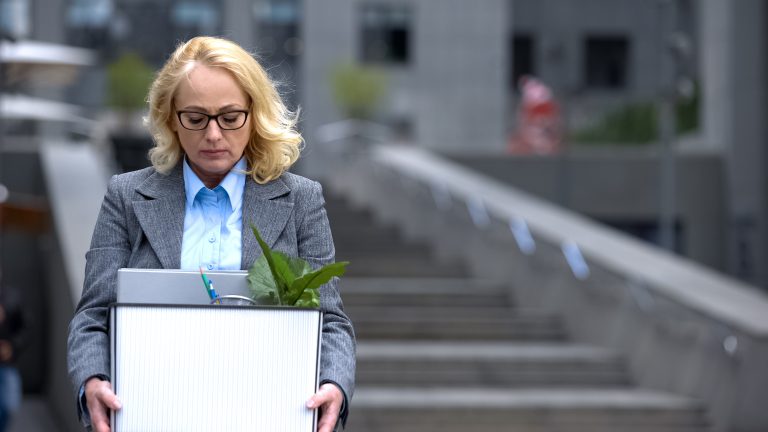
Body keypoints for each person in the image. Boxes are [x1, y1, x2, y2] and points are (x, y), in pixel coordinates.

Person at [67, 36, 355, 432]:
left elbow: (332, 321)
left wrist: (334, 384)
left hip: (266, 417)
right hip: (152, 416)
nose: (214, 134)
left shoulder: (302, 200)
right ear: (170, 118)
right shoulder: (127, 196)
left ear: (254, 115)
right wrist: (92, 380)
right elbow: (92, 317)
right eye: (196, 118)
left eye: (230, 116)